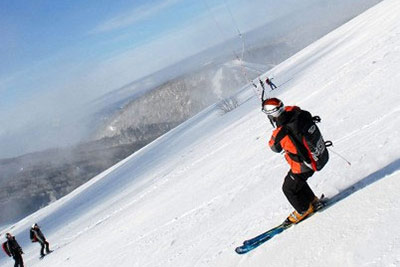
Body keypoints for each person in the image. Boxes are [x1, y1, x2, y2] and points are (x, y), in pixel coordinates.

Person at [262, 98, 324, 224]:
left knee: (288, 188)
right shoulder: (297, 114)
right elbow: (292, 109)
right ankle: (313, 201)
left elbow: (274, 147)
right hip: (312, 158)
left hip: (303, 164)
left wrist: (277, 126)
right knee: (297, 182)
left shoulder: (282, 131)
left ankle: (303, 210)